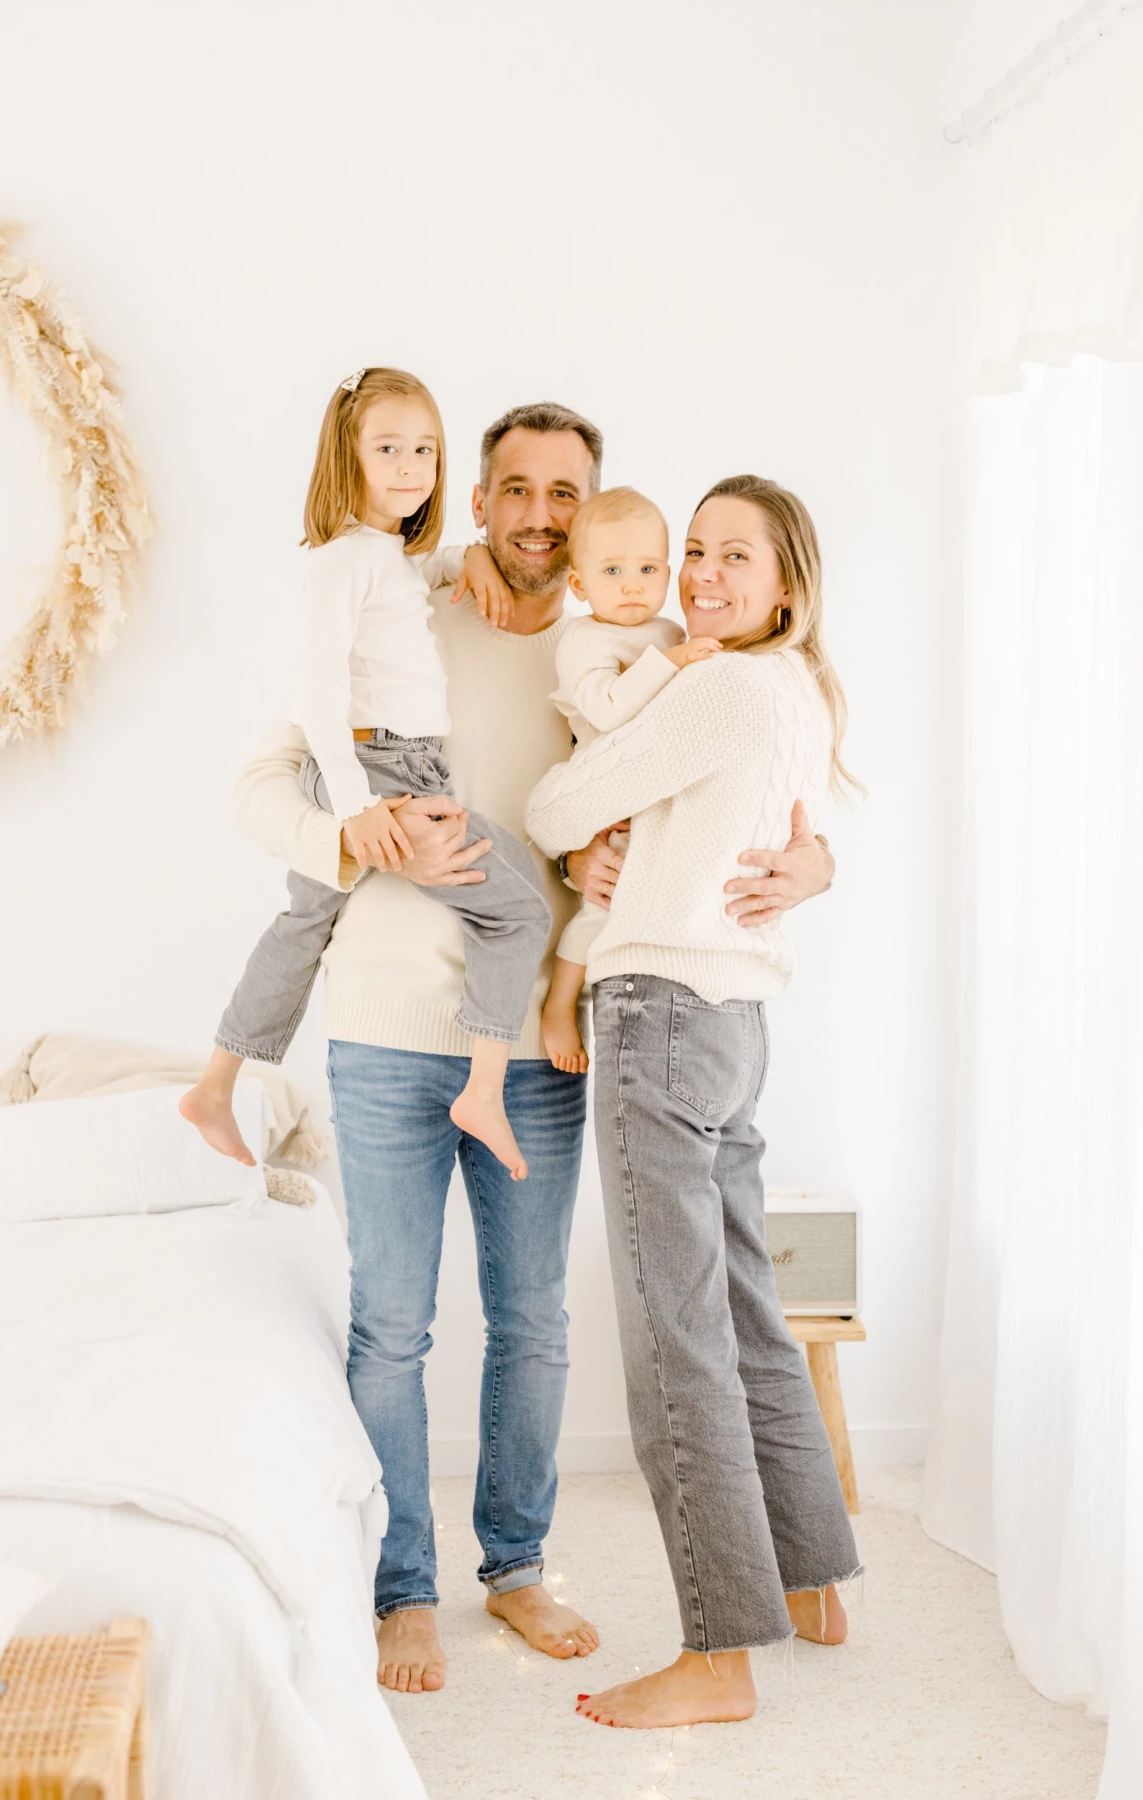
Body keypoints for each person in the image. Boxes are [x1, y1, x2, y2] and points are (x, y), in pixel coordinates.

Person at [230, 413, 837, 1697]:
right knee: (392, 1326)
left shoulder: (632, 650)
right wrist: (355, 842)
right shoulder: (403, 613)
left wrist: (808, 860)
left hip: (546, 1040)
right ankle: (404, 1591)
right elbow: (261, 784)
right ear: (481, 496)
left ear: (598, 511)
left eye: (569, 493)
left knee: (535, 1321)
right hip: (393, 1031)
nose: (542, 513)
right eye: (517, 487)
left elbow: (744, 777)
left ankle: (514, 1569)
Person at [526, 473, 861, 1731]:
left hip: (662, 1011)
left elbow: (558, 803)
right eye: (698, 553)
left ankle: (718, 1656)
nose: (705, 577)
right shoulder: (795, 692)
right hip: (734, 1026)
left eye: (736, 558)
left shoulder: (712, 683)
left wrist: (586, 838)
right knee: (746, 1314)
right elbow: (795, 844)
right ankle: (817, 1583)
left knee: (677, 1340)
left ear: (786, 584)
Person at [180, 367, 549, 1179]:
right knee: (518, 911)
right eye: (388, 449)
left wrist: (469, 562)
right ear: (346, 458)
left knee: (301, 926)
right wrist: (354, 812)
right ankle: (484, 1088)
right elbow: (316, 691)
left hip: (394, 763)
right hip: (381, 769)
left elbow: (418, 578)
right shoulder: (343, 559)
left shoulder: (384, 556)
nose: (411, 466)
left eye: (424, 448)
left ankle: (216, 1082)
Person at [538, 485, 722, 1073]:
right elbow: (609, 708)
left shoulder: (670, 633)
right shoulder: (584, 638)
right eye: (612, 570)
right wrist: (671, 663)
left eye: (647, 569)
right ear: (578, 583)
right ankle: (561, 1004)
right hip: (609, 801)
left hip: (660, 801)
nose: (632, 585)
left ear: (668, 572)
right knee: (598, 912)